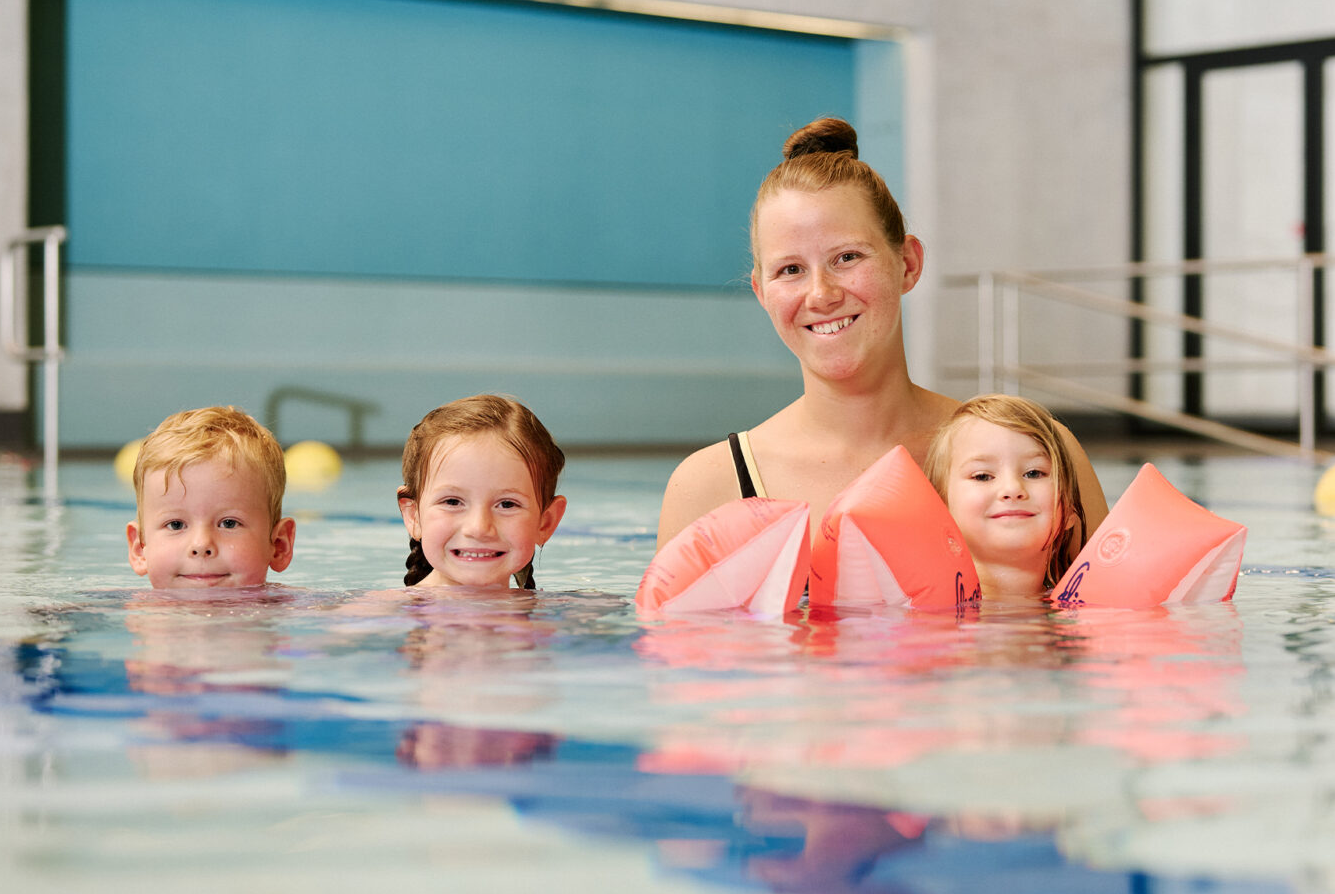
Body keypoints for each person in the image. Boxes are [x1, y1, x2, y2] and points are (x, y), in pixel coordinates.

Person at [656, 117, 1107, 549]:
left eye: (847, 257)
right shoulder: (710, 487)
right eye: (790, 269)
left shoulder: (1037, 458)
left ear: (907, 264)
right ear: (761, 291)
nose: (821, 294)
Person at [398, 395, 568, 589]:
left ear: (545, 523)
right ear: (414, 516)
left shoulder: (564, 612)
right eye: (452, 502)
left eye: (507, 504)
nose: (479, 528)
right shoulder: (382, 615)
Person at [924, 395, 1086, 599]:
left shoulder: (1086, 610)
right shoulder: (926, 612)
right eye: (982, 476)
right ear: (941, 509)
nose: (1012, 489)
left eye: (1034, 473)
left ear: (1070, 507)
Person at [126, 406, 296, 589]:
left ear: (279, 546)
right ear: (139, 549)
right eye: (176, 524)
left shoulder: (295, 607)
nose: (201, 544)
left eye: (229, 523)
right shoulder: (118, 605)